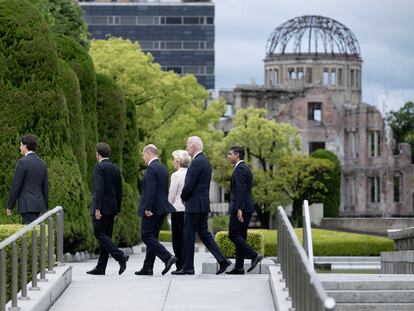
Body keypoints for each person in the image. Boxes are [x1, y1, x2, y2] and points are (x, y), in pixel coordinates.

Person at [172, 136, 231, 275]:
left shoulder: (197, 162)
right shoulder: (205, 161)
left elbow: (189, 185)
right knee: (204, 234)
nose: (186, 149)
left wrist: (183, 197)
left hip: (194, 205)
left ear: (193, 146)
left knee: (188, 235)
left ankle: (188, 267)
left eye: (187, 146)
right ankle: (223, 261)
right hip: (202, 204)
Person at [87, 142, 129, 276]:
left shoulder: (99, 167)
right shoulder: (116, 169)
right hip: (112, 208)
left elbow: (99, 189)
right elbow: (119, 191)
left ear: (97, 154)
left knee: (99, 233)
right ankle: (101, 267)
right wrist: (118, 210)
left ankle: (119, 256)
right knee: (106, 236)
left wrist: (97, 209)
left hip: (102, 208)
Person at [136, 144, 177, 276]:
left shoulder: (151, 169)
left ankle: (167, 257)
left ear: (148, 154)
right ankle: (148, 267)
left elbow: (151, 191)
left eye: (143, 155)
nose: (143, 158)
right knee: (152, 237)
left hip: (152, 209)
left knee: (146, 236)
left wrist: (148, 208)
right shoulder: (163, 168)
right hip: (161, 208)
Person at [226, 146, 263, 274]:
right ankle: (239, 267)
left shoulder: (240, 169)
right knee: (241, 236)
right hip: (245, 206)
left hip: (241, 207)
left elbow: (241, 190)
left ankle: (254, 256)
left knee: (233, 234)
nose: (228, 156)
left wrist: (239, 208)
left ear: (237, 155)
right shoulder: (243, 168)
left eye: (230, 154)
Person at [6, 135, 48, 224]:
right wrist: (45, 207)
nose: (20, 147)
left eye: (21, 145)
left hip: (27, 205)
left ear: (25, 146)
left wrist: (10, 206)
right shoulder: (42, 163)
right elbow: (45, 187)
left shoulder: (22, 162)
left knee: (30, 233)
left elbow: (16, 186)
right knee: (35, 233)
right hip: (39, 205)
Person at [168, 150, 191, 272]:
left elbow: (172, 193)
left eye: (174, 159)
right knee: (186, 238)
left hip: (177, 209)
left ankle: (180, 265)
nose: (173, 162)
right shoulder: (190, 173)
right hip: (187, 210)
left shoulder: (175, 175)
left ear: (178, 161)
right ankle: (186, 264)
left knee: (177, 240)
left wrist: (167, 206)